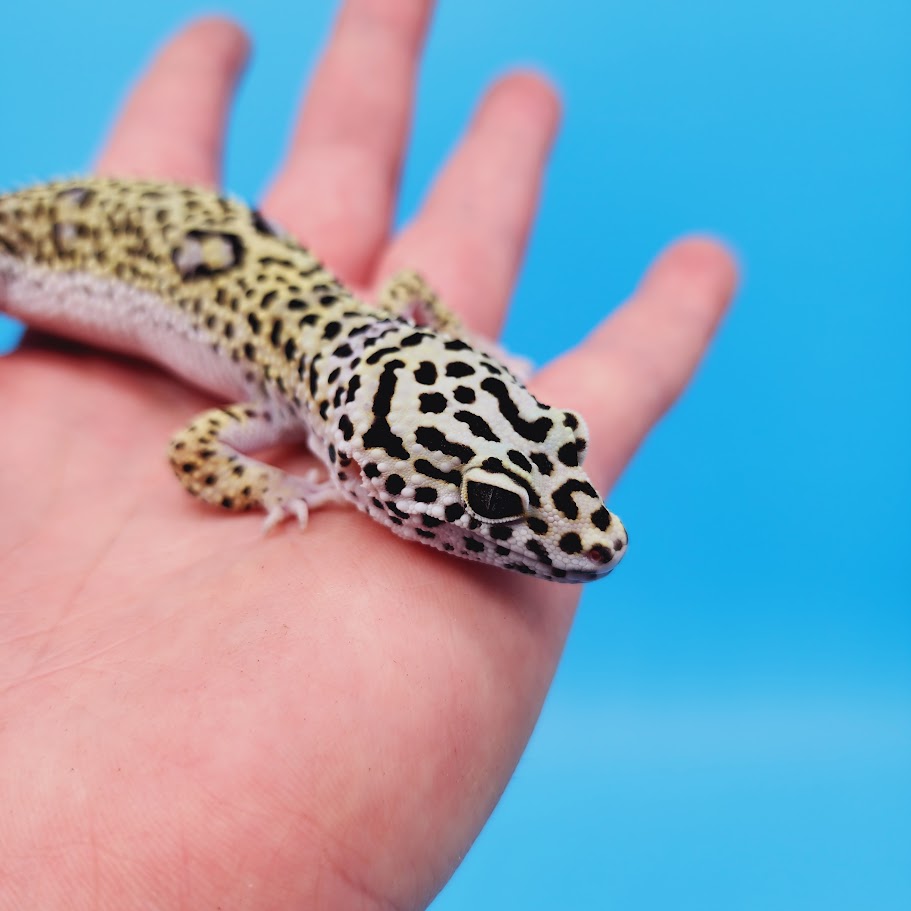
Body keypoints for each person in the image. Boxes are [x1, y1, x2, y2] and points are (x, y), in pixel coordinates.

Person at [0, 3, 736, 908]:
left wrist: (461, 346)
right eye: (496, 507)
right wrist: (271, 487)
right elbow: (194, 452)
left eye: (553, 445)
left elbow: (416, 299)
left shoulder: (341, 362)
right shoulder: (291, 403)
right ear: (357, 465)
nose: (579, 530)